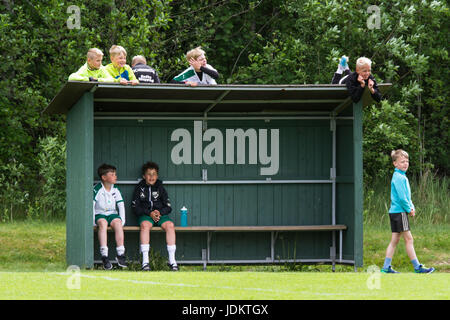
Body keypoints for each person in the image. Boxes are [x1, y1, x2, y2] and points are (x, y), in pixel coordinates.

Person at [381, 149, 435, 274]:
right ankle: (417, 267)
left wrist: (412, 206)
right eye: (402, 162)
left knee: (395, 240)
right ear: (395, 163)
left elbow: (406, 196)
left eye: (407, 161)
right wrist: (409, 209)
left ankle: (385, 267)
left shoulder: (400, 176)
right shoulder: (399, 177)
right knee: (409, 239)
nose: (405, 164)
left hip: (396, 212)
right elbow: (402, 197)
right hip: (399, 212)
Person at [131, 161, 178, 271]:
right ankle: (145, 262)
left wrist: (159, 212)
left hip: (160, 215)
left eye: (154, 174)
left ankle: (172, 262)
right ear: (144, 176)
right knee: (145, 226)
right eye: (149, 174)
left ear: (157, 176)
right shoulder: (139, 188)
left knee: (170, 225)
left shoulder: (160, 187)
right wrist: (149, 213)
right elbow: (135, 207)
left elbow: (168, 207)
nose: (151, 177)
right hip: (146, 215)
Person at [93, 164, 128, 270]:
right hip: (100, 214)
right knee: (102, 224)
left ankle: (120, 254)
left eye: (115, 174)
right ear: (104, 177)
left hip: (112, 214)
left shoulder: (116, 189)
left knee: (118, 223)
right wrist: (93, 221)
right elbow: (92, 205)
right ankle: (104, 256)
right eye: (112, 174)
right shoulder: (97, 189)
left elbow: (121, 205)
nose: (115, 176)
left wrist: (122, 220)